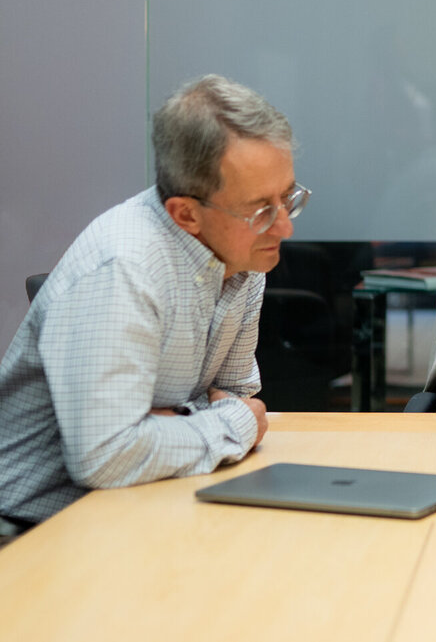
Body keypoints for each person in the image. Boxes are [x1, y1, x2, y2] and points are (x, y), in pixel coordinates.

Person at [0, 74, 310, 536]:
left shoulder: (243, 256)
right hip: (34, 531)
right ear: (186, 213)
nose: (284, 227)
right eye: (261, 209)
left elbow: (235, 397)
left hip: (151, 502)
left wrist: (174, 426)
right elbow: (105, 457)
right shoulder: (124, 269)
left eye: (287, 198)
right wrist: (227, 423)